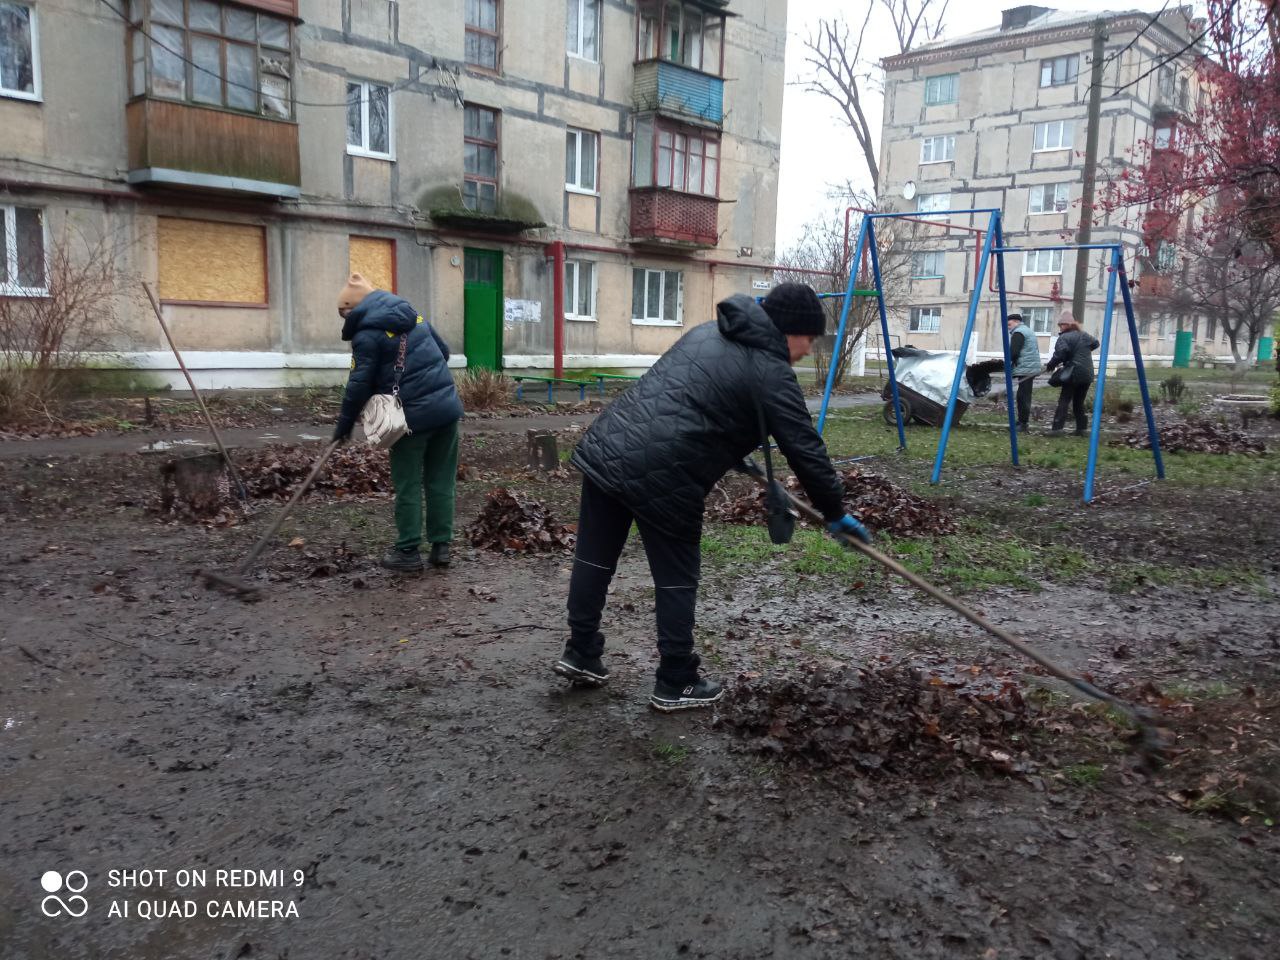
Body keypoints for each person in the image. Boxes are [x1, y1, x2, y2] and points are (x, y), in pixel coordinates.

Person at [554, 283, 872, 712]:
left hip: (610, 447)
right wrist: (834, 510)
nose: (809, 349)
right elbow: (805, 449)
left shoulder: (710, 332)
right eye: (809, 338)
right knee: (676, 577)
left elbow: (687, 396)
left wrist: (732, 448)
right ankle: (676, 680)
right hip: (666, 474)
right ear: (790, 331)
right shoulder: (772, 371)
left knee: (594, 559)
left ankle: (581, 652)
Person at [333, 273, 464, 572]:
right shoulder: (413, 316)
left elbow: (358, 384)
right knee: (441, 481)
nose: (343, 320)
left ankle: (408, 550)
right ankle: (441, 547)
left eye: (343, 313)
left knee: (408, 483)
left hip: (410, 418)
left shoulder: (366, 335)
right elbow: (443, 352)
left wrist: (344, 424)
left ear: (354, 308)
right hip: (447, 410)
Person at [1044, 310, 1100, 436]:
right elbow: (1096, 343)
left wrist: (1050, 365)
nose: (1060, 327)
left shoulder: (1064, 337)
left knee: (1064, 400)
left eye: (1061, 325)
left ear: (1067, 325)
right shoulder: (1084, 335)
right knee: (1078, 402)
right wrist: (1082, 351)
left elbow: (1060, 354)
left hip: (1073, 373)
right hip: (1087, 373)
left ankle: (1057, 429)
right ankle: (1082, 429)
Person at [1005, 312, 1042, 433]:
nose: (1008, 327)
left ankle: (1023, 423)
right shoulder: (1027, 330)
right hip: (1029, 367)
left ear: (1016, 322)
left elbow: (1013, 352)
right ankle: (1021, 421)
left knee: (1023, 397)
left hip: (1027, 368)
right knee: (1023, 395)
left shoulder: (1019, 332)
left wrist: (1008, 364)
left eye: (1009, 324)